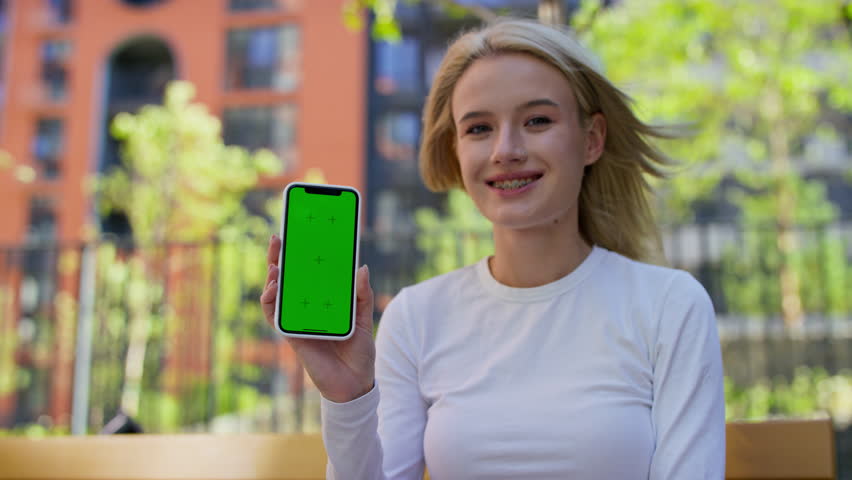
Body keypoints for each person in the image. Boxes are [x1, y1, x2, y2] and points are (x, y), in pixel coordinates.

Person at [261, 17, 725, 480]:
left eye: (537, 120)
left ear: (592, 139)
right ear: (457, 152)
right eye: (479, 129)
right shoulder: (416, 318)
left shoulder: (670, 306)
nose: (506, 149)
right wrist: (347, 395)